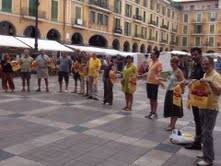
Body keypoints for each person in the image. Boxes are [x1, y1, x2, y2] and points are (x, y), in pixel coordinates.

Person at [196, 56, 221, 166]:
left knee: (207, 133)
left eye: (207, 64)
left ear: (212, 65)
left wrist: (210, 82)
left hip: (211, 108)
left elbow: (218, 92)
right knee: (204, 132)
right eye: (203, 64)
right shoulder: (205, 74)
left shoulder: (216, 76)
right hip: (203, 106)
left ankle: (209, 159)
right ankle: (205, 154)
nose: (205, 66)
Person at [185, 47, 204, 150]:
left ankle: (199, 142)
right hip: (195, 97)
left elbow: (204, 80)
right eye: (192, 55)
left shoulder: (203, 65)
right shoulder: (195, 65)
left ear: (200, 54)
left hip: (202, 98)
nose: (193, 56)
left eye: (196, 54)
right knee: (197, 120)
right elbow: (192, 78)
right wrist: (186, 83)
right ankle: (198, 141)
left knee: (201, 121)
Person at [164, 56, 185, 131]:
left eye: (173, 62)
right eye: (171, 62)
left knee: (175, 109)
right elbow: (165, 78)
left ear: (177, 63)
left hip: (175, 92)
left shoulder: (179, 71)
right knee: (170, 108)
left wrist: (178, 83)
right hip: (169, 91)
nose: (172, 64)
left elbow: (184, 81)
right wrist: (160, 79)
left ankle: (172, 125)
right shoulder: (171, 70)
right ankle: (171, 124)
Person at [145, 50, 163, 119]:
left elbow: (159, 72)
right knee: (150, 98)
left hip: (154, 83)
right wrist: (141, 76)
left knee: (154, 98)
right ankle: (151, 112)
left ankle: (154, 113)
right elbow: (149, 72)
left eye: (152, 54)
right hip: (148, 82)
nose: (150, 55)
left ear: (156, 55)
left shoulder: (159, 63)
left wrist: (158, 78)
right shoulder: (150, 62)